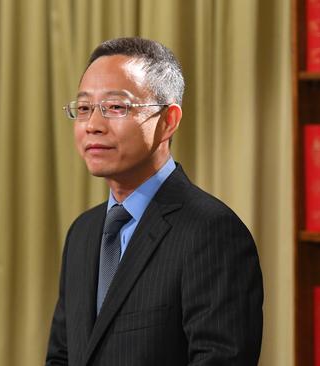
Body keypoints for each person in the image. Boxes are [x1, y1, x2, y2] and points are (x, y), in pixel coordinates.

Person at [45, 37, 263, 365]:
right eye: (85, 108)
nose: (93, 126)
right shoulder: (83, 232)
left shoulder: (211, 232)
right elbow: (62, 356)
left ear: (168, 121)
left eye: (116, 107)